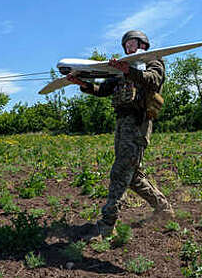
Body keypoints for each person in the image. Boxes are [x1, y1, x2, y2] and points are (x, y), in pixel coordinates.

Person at [67, 30, 174, 239]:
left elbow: (153, 80)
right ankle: (164, 209)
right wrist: (83, 85)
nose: (128, 46)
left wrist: (129, 71)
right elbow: (104, 90)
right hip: (122, 124)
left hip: (137, 123)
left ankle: (107, 225)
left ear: (142, 44)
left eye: (132, 42)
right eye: (126, 44)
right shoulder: (122, 68)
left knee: (120, 171)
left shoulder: (152, 60)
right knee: (132, 176)